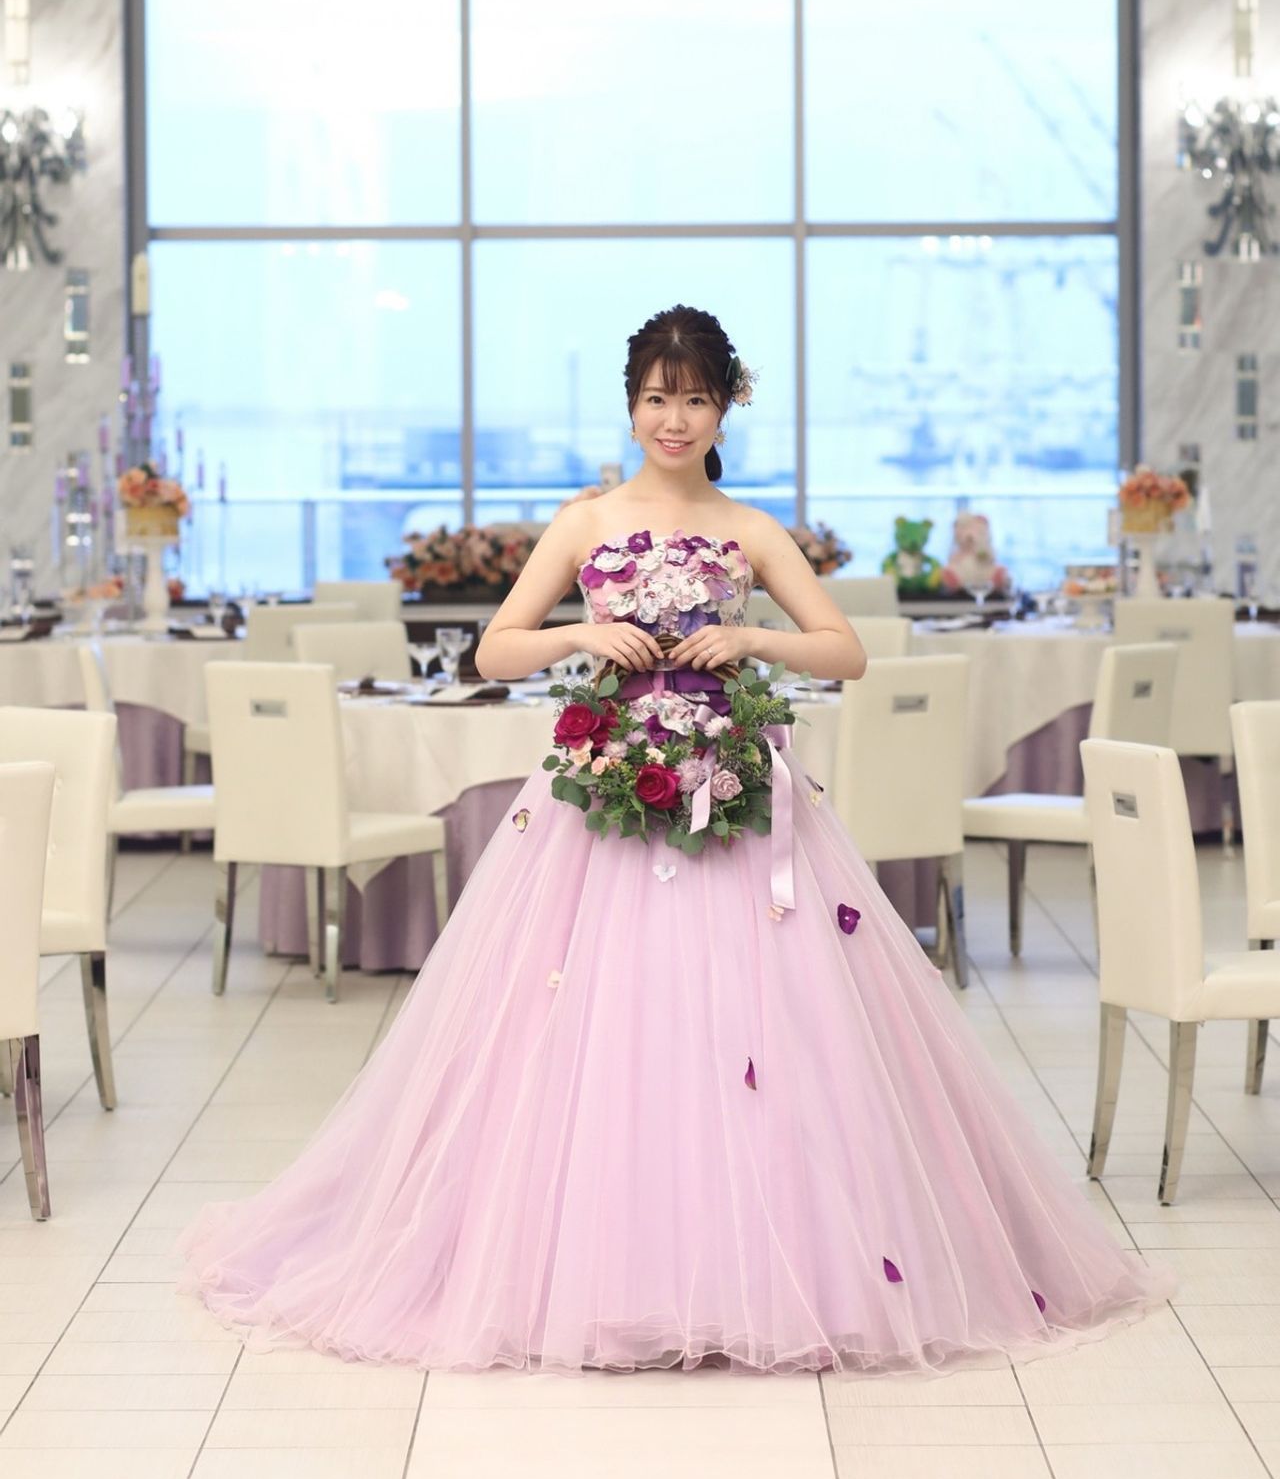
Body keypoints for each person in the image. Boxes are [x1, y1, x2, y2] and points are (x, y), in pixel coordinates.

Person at [178, 304, 1172, 1375]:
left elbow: (844, 652)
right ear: (631, 405)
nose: (675, 417)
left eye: (695, 397)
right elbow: (493, 651)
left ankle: (773, 1267)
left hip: (732, 791)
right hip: (601, 800)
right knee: (598, 1027)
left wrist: (748, 634)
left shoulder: (750, 529)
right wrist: (579, 631)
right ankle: (608, 1273)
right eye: (657, 397)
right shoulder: (586, 521)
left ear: (723, 408)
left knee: (765, 1028)